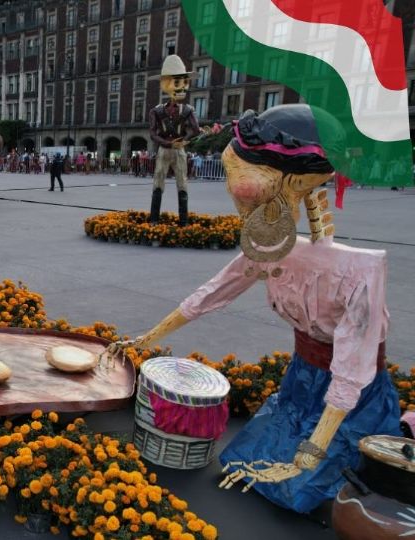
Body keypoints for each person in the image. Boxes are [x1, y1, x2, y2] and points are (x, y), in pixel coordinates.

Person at [110, 104, 400, 514]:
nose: (236, 196)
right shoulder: (268, 249)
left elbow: (352, 372)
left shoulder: (361, 270)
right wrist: (143, 340)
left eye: (245, 185)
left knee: (299, 490)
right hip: (300, 382)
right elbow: (211, 295)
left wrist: (309, 455)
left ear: (296, 181)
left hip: (352, 402)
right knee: (240, 463)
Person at [149, 55, 199, 225]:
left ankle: (173, 221)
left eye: (184, 82)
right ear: (166, 84)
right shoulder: (157, 111)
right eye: (178, 83)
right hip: (173, 149)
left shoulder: (186, 110)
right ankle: (165, 220)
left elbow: (196, 130)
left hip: (173, 150)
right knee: (164, 181)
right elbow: (196, 130)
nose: (183, 87)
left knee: (177, 182)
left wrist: (181, 141)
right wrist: (177, 142)